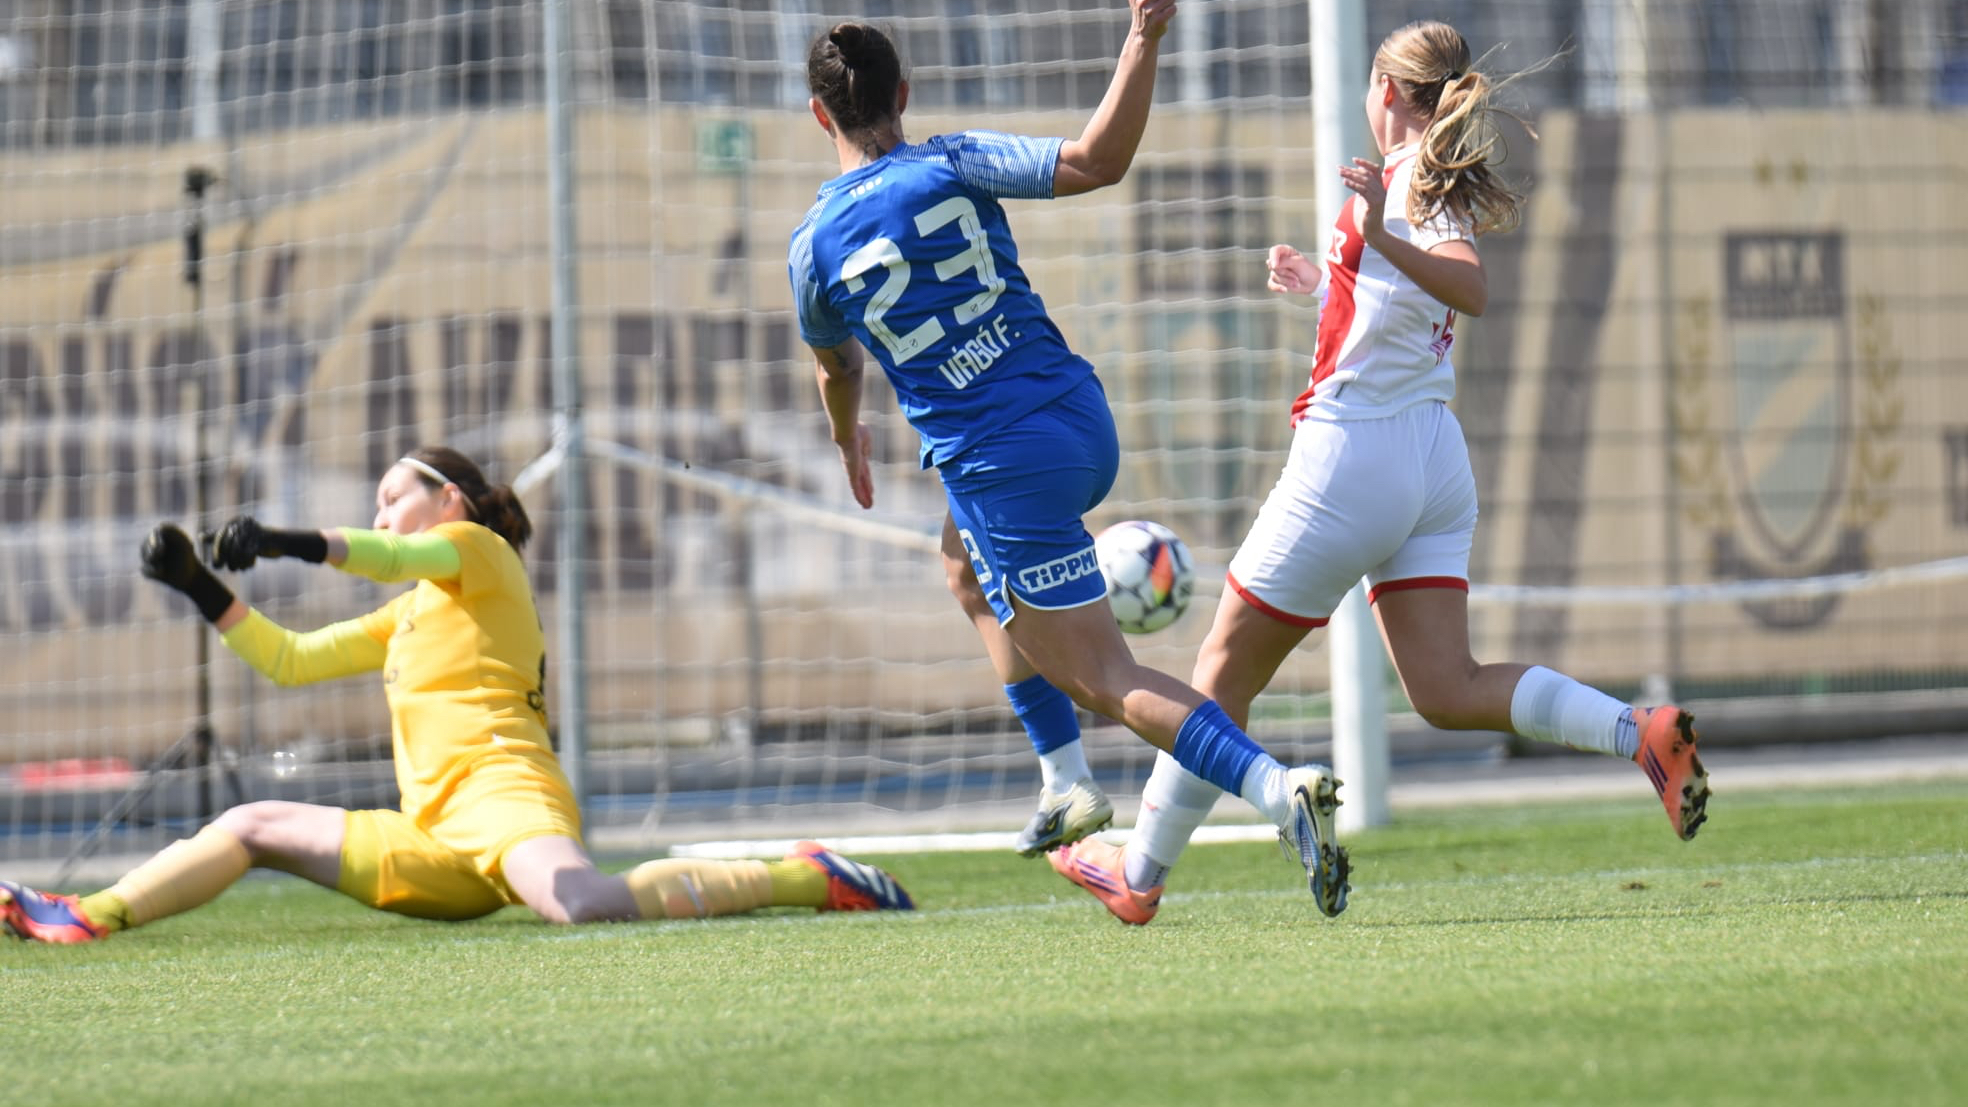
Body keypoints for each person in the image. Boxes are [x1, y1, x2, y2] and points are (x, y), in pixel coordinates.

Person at [1048, 20, 1713, 925]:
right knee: (1445, 688)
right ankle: (1638, 732)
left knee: (1218, 677)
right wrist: (1325, 285)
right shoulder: (1418, 180)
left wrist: (1373, 234)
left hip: (1354, 457)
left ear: (1388, 92)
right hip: (1430, 458)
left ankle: (1141, 872)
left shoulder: (1403, 182)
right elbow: (1401, 309)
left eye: (1373, 84)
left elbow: (1466, 286)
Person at [787, 0, 1350, 917]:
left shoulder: (813, 249)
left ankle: (1275, 791)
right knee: (961, 566)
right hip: (1079, 419)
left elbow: (835, 365)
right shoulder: (951, 159)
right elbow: (1098, 159)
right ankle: (1064, 785)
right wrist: (1143, 37)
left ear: (820, 117)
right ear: (904, 93)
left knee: (1108, 679)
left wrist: (849, 434)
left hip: (1003, 465)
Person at [0, 447, 912, 944]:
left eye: (394, 494)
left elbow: (391, 553)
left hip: (505, 795)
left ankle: (808, 874)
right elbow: (287, 659)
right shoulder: (408, 617)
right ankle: (84, 914)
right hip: (428, 834)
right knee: (249, 823)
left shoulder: (481, 553)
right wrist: (200, 585)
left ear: (450, 500)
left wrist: (281, 540)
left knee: (586, 908)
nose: (383, 510)